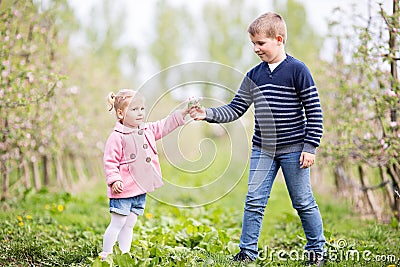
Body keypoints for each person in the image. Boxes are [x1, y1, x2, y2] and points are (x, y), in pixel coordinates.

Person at [189, 12, 326, 266]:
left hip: (294, 149)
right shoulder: (254, 74)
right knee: (254, 200)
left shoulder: (298, 70)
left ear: (279, 39)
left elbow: (314, 110)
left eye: (260, 43)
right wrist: (206, 113)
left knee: (303, 202)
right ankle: (247, 252)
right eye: (253, 44)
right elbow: (235, 108)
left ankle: (317, 250)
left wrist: (310, 146)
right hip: (263, 148)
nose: (255, 49)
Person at [99, 89, 189, 260]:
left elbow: (165, 124)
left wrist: (183, 112)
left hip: (139, 190)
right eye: (134, 109)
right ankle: (107, 254)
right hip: (123, 190)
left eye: (142, 108)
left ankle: (124, 253)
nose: (140, 113)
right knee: (118, 222)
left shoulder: (147, 129)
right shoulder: (117, 137)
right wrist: (115, 179)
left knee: (129, 224)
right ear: (120, 113)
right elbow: (110, 161)